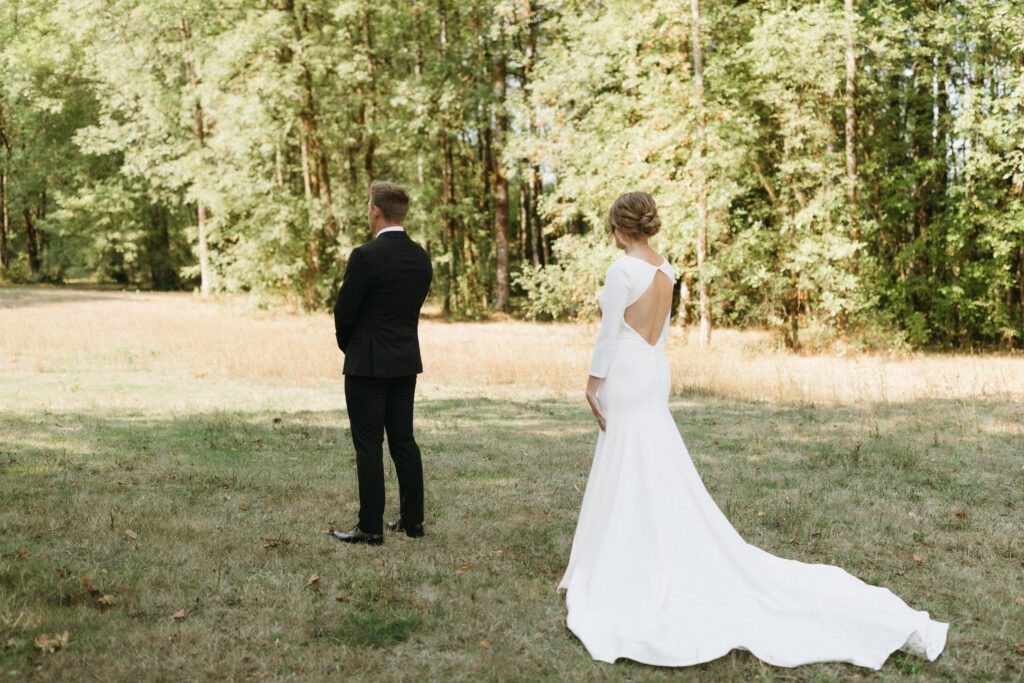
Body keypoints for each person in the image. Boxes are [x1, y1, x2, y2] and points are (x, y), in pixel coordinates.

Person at [557, 191, 949, 669]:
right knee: (647, 460)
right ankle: (644, 547)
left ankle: (625, 563)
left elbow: (607, 334)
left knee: (626, 460)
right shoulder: (666, 270)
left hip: (625, 372)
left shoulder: (622, 272)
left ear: (618, 227)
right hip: (655, 371)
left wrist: (592, 383)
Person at [331, 181, 433, 545]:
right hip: (405, 361)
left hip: (367, 364)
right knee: (403, 439)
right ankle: (412, 521)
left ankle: (370, 526)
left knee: (369, 444)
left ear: (376, 210)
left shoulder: (365, 256)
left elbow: (344, 313)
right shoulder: (420, 256)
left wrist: (352, 347)